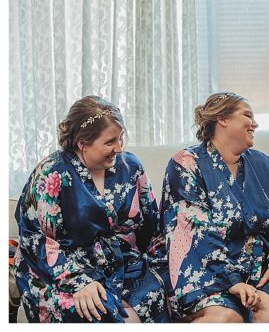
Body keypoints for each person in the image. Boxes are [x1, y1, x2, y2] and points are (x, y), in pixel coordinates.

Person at [13, 96, 169, 322]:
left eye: (121, 139)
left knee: (154, 295)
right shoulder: (52, 173)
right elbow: (35, 240)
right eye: (110, 142)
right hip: (60, 269)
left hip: (123, 263)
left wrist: (157, 265)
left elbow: (151, 225)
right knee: (95, 311)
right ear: (82, 143)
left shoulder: (131, 166)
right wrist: (78, 282)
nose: (119, 148)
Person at [161, 92, 269, 322]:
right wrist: (233, 281)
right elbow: (195, 233)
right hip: (209, 273)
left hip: (262, 272)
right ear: (222, 118)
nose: (255, 123)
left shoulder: (266, 165)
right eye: (248, 115)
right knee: (226, 319)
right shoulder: (186, 164)